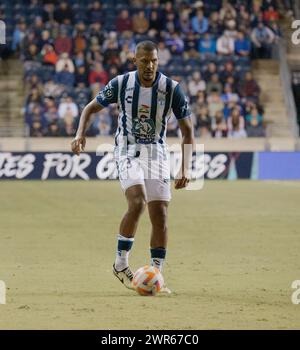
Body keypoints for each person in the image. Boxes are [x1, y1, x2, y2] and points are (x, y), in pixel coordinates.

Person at [71, 41, 194, 294]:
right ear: (135, 61)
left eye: (154, 61)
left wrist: (185, 168)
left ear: (158, 62)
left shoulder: (171, 89)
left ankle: (156, 274)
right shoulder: (120, 83)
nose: (149, 65)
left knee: (160, 215)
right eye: (144, 60)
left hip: (156, 154)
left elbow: (188, 131)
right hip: (127, 150)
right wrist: (79, 134)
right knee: (137, 203)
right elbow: (89, 108)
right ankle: (120, 263)